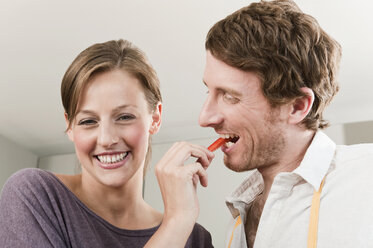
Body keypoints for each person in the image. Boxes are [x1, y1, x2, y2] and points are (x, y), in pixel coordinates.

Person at [155, 0, 373, 247]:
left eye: (230, 96)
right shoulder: (240, 214)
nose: (204, 118)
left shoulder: (366, 179)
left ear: (298, 106)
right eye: (210, 92)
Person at [0, 39, 213, 247]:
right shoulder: (35, 195)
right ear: (71, 127)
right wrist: (174, 225)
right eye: (88, 121)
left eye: (124, 117)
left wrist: (179, 222)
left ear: (155, 119)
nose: (106, 139)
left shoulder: (194, 239)